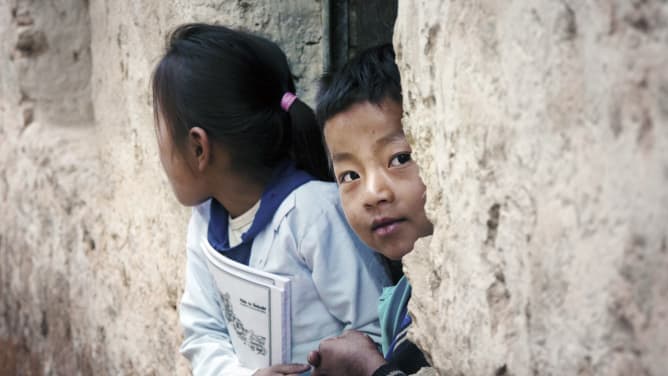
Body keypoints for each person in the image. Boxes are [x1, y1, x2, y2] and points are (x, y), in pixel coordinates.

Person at [151, 23, 390, 376]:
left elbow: (377, 332)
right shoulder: (205, 223)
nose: (158, 150)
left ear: (199, 147)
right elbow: (203, 332)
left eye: (161, 132)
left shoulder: (312, 213)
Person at [307, 44, 434, 376]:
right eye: (350, 176)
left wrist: (369, 370)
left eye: (400, 158)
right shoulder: (403, 296)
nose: (373, 193)